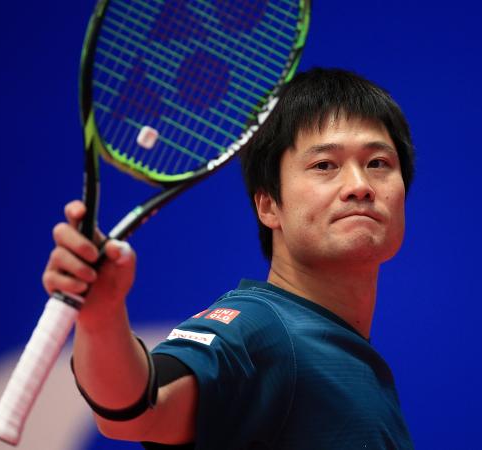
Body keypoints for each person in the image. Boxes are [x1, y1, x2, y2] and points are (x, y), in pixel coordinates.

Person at [43, 68, 416, 449]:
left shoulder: (352, 357)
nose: (359, 186)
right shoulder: (262, 328)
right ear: (268, 205)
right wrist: (102, 317)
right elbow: (139, 408)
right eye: (325, 165)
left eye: (378, 163)